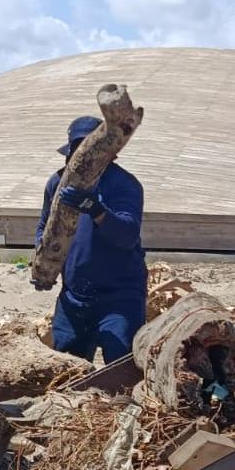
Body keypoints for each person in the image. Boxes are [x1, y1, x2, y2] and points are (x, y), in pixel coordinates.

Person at [36, 115, 147, 362]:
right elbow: (44, 225)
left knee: (120, 365)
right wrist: (44, 263)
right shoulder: (57, 182)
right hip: (74, 296)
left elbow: (127, 235)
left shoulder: (123, 184)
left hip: (119, 295)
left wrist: (95, 209)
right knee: (66, 366)